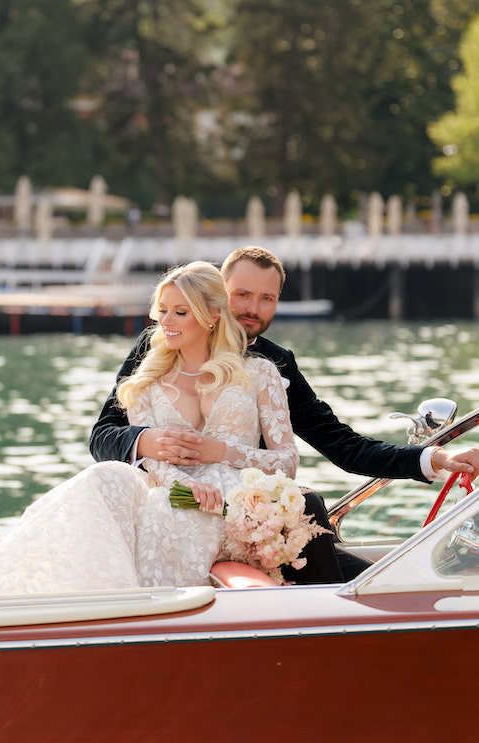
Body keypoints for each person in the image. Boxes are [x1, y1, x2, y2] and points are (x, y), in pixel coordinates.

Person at [89, 246, 479, 580]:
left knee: (381, 576)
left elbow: (342, 444)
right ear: (215, 298)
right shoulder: (159, 345)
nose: (252, 309)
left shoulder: (274, 363)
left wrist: (436, 457)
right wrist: (147, 441)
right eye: (241, 295)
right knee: (316, 521)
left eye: (267, 298)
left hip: (252, 515)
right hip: (180, 505)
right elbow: (103, 434)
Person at [0, 261, 303, 597]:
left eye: (180, 312)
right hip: (174, 492)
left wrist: (220, 453)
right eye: (162, 310)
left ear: (212, 316)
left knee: (168, 513)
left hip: (237, 504)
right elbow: (143, 459)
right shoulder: (146, 380)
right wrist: (184, 484)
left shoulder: (260, 374)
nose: (167, 322)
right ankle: (20, 593)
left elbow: (286, 462)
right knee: (105, 479)